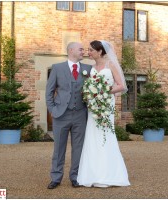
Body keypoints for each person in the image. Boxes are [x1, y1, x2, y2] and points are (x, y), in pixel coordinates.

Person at [77, 40, 130, 187]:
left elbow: (121, 86)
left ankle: (110, 174)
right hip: (93, 106)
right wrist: (89, 92)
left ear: (100, 51)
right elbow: (89, 85)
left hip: (106, 105)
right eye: (88, 50)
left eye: (91, 50)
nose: (89, 52)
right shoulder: (92, 68)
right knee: (92, 136)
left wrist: (104, 91)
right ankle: (92, 174)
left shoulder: (110, 65)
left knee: (106, 135)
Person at [45, 42, 92, 189]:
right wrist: (52, 109)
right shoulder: (57, 68)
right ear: (71, 50)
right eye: (81, 49)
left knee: (78, 147)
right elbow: (49, 91)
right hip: (61, 115)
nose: (83, 52)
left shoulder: (88, 69)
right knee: (59, 148)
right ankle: (56, 178)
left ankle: (75, 177)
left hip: (80, 114)